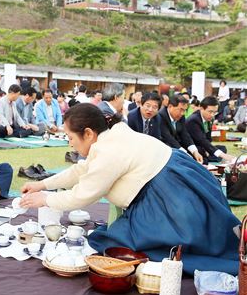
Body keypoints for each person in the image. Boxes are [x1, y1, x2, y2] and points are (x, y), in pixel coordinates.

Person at [19, 104, 239, 275]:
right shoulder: (111, 135)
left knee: (115, 243)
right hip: (177, 177)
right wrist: (42, 184)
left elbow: (82, 196)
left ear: (87, 133)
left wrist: (44, 199)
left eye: (70, 137)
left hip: (170, 196)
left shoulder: (108, 152)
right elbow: (81, 171)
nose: (70, 144)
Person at [185, 96, 235, 164]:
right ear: (201, 108)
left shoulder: (209, 119)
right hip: (193, 147)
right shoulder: (193, 120)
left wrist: (209, 149)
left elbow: (208, 138)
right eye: (210, 112)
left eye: (214, 112)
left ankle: (208, 157)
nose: (212, 115)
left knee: (222, 148)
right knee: (204, 151)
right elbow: (201, 140)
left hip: (203, 146)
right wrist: (222, 155)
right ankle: (206, 158)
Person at [159, 95, 204, 163]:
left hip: (177, 146)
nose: (182, 113)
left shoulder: (181, 116)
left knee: (198, 151)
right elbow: (168, 138)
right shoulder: (160, 116)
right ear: (170, 106)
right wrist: (184, 153)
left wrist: (195, 152)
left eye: (184, 110)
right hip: (164, 148)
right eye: (180, 109)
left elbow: (184, 134)